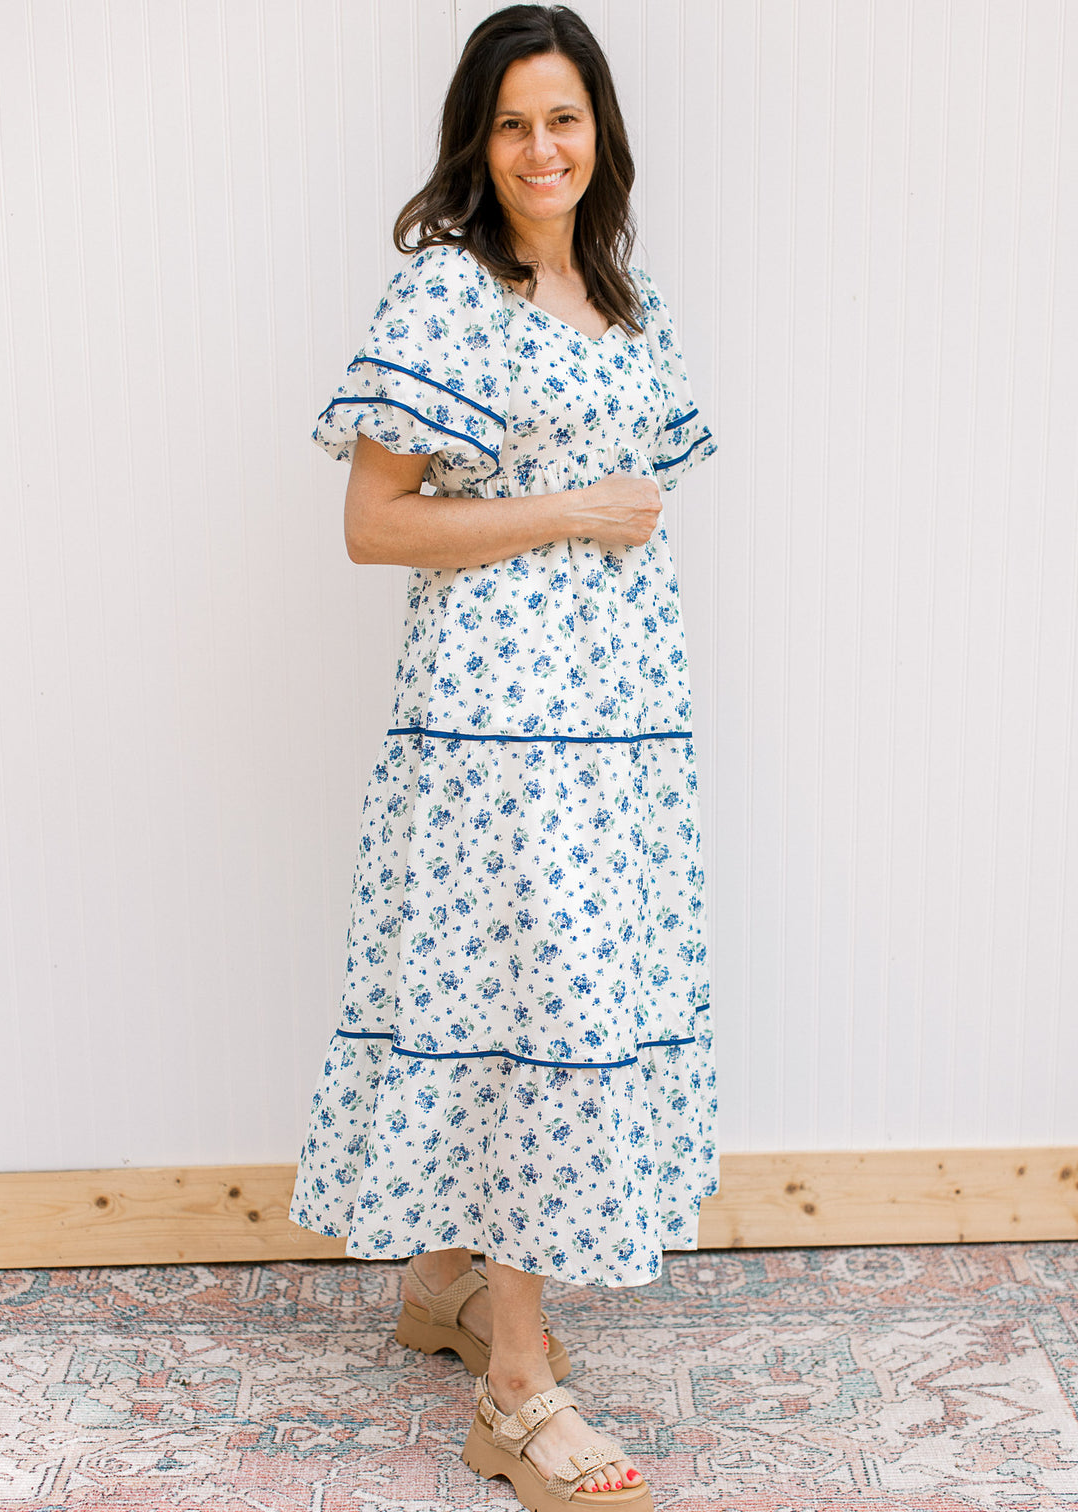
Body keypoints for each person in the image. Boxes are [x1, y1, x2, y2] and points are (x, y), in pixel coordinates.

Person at [290, 6, 719, 1508]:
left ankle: (451, 1285)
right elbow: (374, 525)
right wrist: (567, 510)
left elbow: (644, 497)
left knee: (532, 995)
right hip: (496, 724)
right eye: (515, 122)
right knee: (546, 1011)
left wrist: (608, 527)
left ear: (602, 134)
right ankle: (520, 1389)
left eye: (568, 119)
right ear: (479, 140)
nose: (544, 149)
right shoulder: (444, 297)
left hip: (619, 729)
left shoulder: (626, 296)